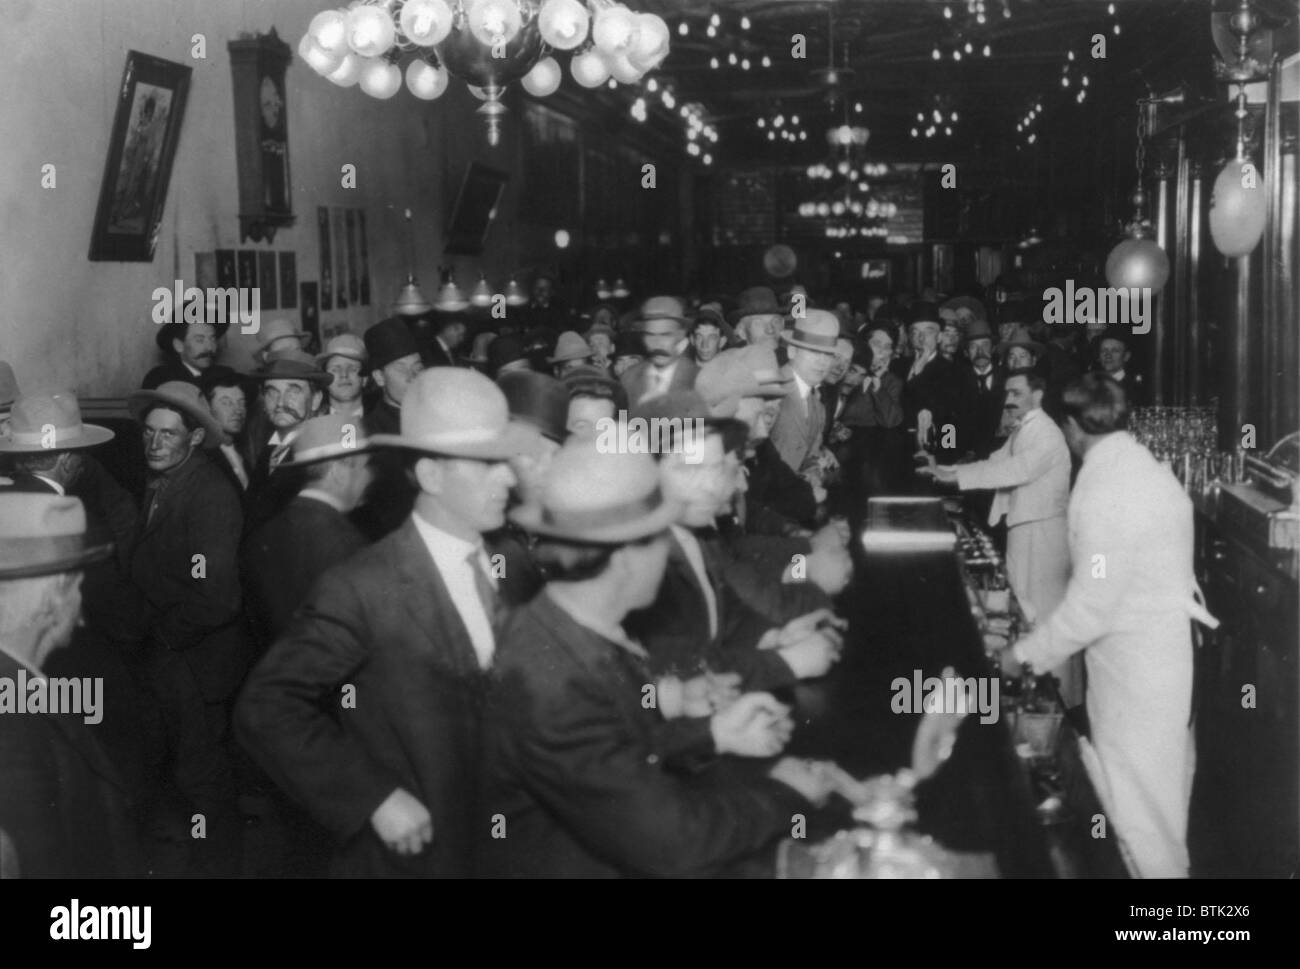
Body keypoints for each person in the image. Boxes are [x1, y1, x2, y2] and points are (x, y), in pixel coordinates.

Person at [479, 439, 840, 877]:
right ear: (628, 555)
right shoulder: (553, 680)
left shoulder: (562, 626)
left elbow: (612, 750)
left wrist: (712, 732)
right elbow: (673, 843)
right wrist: (787, 793)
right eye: (661, 539)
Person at [235, 369, 542, 877]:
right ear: (430, 475)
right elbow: (267, 706)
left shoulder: (512, 569)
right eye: (487, 463)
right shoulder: (363, 583)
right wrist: (372, 797)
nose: (508, 478)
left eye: (506, 461)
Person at [994, 374, 1217, 878]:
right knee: (1155, 804)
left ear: (1072, 427)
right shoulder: (1139, 465)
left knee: (1141, 817)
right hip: (1159, 656)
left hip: (1138, 672)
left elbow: (1091, 606)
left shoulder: (1105, 489)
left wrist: (1021, 655)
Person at [126, 380, 247, 876]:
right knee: (186, 776)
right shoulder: (163, 482)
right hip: (175, 660)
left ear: (195, 438)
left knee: (203, 783)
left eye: (168, 434)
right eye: (149, 433)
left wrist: (159, 638)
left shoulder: (210, 495)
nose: (155, 444)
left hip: (197, 664)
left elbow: (216, 597)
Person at [919, 368, 1077, 704]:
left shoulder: (1046, 434)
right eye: (1007, 393)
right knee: (1024, 607)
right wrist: (943, 468)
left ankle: (1057, 701)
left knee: (1043, 613)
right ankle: (1033, 692)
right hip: (1027, 528)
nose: (1008, 400)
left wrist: (952, 478)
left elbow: (1014, 470)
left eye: (1016, 393)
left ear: (1038, 395)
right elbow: (995, 460)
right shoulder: (1026, 429)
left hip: (1044, 534)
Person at [0, 493, 139, 876]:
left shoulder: (19, 688)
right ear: (51, 598)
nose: (80, 615)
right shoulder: (11, 735)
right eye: (76, 589)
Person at [241, 413, 374, 644]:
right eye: (365, 466)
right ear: (339, 471)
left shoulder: (265, 531)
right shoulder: (348, 545)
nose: (369, 476)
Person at [770, 309, 840, 478]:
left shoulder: (818, 407)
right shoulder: (770, 391)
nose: (822, 362)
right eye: (814, 352)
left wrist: (812, 475)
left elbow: (810, 459)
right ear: (792, 351)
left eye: (828, 354)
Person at [894, 301, 961, 463]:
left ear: (939, 337)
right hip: (897, 451)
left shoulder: (954, 371)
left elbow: (950, 421)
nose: (921, 338)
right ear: (909, 337)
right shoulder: (897, 366)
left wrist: (947, 457)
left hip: (934, 453)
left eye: (928, 331)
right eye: (915, 332)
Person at [619, 296, 699, 404]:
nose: (657, 343)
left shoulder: (697, 378)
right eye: (650, 335)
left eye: (665, 335)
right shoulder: (629, 378)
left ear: (680, 335)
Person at [200, 366, 251, 495]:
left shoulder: (243, 451)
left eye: (241, 402)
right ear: (207, 408)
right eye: (226, 403)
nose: (238, 410)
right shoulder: (202, 457)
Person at [142, 319, 226, 390]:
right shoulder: (160, 378)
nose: (209, 348)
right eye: (200, 340)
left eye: (213, 339)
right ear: (179, 345)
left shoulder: (225, 376)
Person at [317, 333, 368, 420]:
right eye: (335, 370)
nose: (344, 375)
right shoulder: (312, 425)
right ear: (324, 379)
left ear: (365, 379)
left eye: (352, 369)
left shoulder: (384, 425)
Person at [1093, 332, 1146, 407]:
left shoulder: (1137, 389)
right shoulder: (1090, 386)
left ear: (1126, 356)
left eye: (1114, 351)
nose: (1108, 355)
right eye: (1104, 350)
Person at [729, 286, 784, 350]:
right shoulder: (728, 359)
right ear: (742, 332)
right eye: (758, 323)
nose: (770, 330)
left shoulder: (793, 358)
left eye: (776, 322)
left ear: (783, 326)